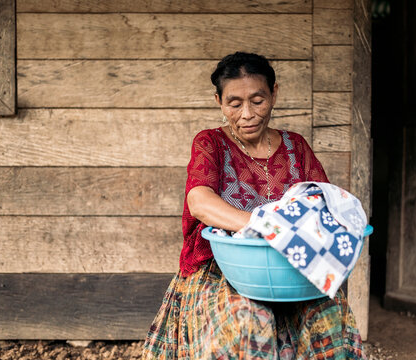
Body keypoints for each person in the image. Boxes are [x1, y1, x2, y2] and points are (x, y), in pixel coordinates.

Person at [142, 52, 366, 360]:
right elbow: (199, 202)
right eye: (234, 103)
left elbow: (324, 203)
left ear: (274, 94)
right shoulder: (211, 144)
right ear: (219, 101)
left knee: (326, 311)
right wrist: (268, 226)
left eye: (258, 101)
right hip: (224, 266)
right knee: (247, 316)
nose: (247, 113)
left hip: (293, 266)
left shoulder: (296, 146)